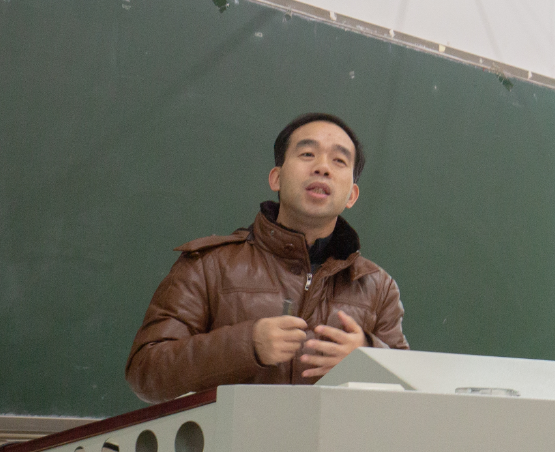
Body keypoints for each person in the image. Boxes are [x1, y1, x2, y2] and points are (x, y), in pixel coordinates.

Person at [125, 113, 408, 403]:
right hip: (234, 434)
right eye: (307, 154)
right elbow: (146, 372)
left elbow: (413, 392)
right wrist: (247, 345)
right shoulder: (209, 266)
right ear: (276, 178)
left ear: (352, 196)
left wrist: (366, 357)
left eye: (339, 160)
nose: (322, 168)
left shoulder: (377, 287)